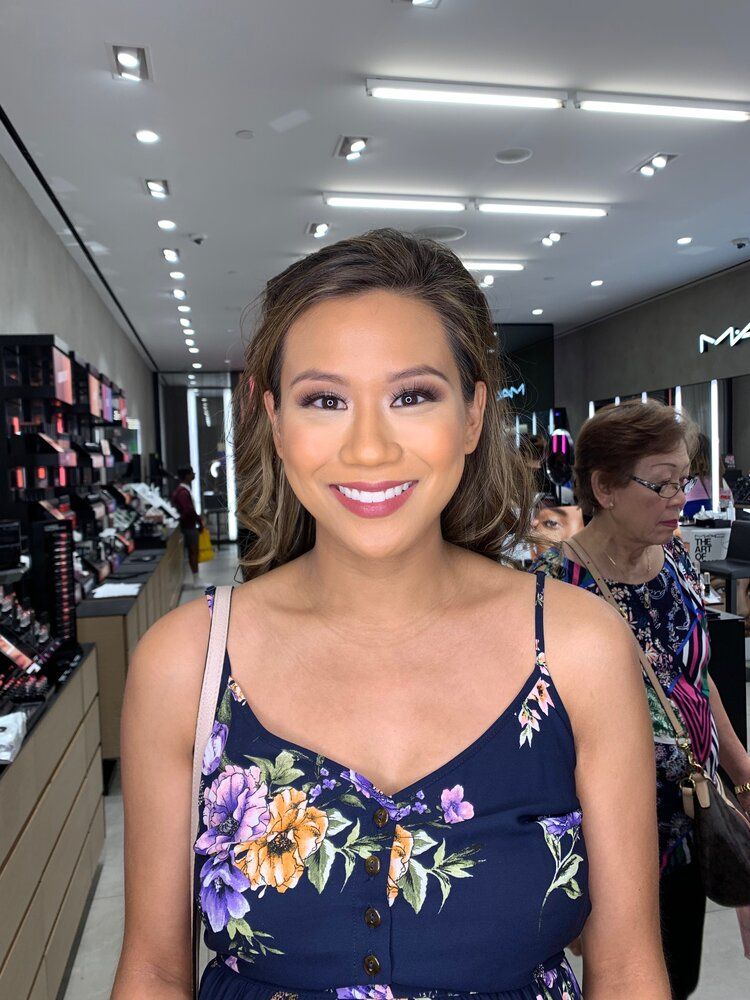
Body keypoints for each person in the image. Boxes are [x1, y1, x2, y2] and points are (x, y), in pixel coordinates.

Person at [114, 230, 670, 1000]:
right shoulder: (188, 662)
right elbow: (153, 971)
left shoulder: (577, 648)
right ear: (275, 421)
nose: (370, 448)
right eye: (325, 400)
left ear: (473, 415)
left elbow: (628, 965)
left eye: (412, 395)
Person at [532, 399, 750, 1000]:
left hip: (689, 812)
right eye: (661, 482)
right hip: (609, 828)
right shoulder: (554, 585)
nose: (681, 497)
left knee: (680, 973)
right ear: (603, 486)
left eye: (685, 480)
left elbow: (696, 676)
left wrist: (740, 770)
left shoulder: (677, 560)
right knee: (621, 976)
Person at [171, 465, 203, 586]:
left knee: (193, 552)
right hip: (189, 526)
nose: (194, 475)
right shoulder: (183, 492)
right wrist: (199, 521)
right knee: (193, 551)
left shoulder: (182, 490)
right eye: (192, 473)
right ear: (187, 476)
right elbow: (188, 510)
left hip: (188, 524)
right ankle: (196, 579)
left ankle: (196, 578)